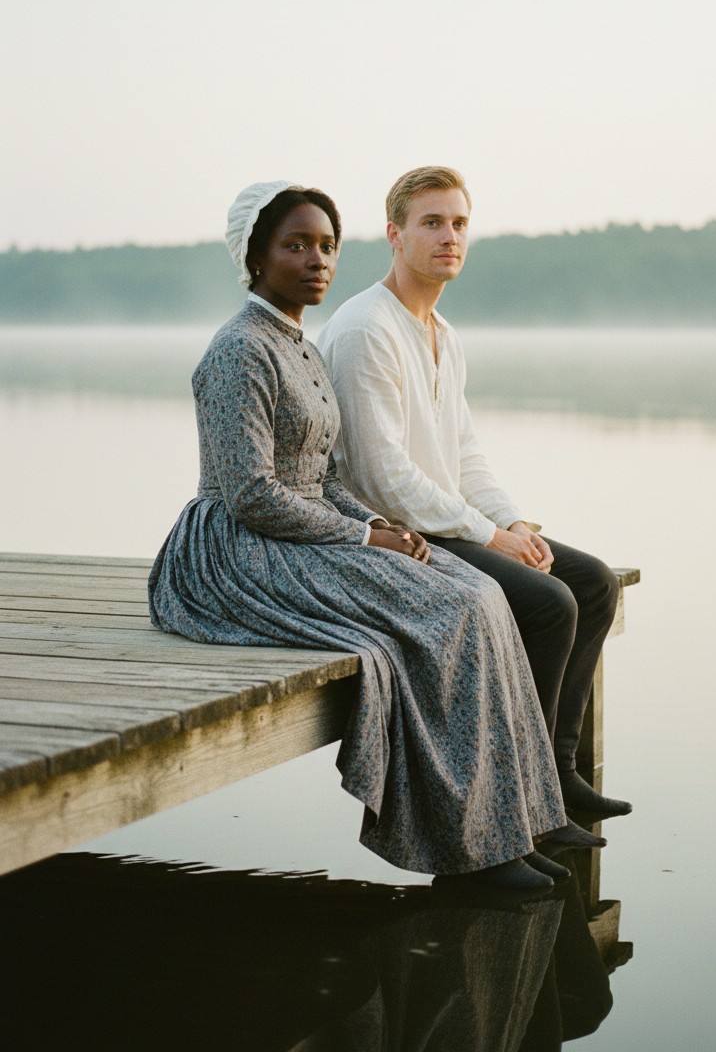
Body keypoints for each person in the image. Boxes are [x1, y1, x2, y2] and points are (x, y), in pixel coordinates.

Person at [149, 179, 572, 892]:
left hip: (305, 532)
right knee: (448, 611)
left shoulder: (302, 346)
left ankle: (512, 820)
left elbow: (323, 473)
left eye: (326, 246)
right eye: (296, 245)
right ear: (254, 258)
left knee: (478, 590)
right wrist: (360, 537)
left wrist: (378, 525)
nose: (317, 259)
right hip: (239, 552)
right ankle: (467, 849)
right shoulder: (238, 351)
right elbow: (252, 496)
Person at [318, 166, 632, 823]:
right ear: (394, 235)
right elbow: (381, 478)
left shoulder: (444, 334)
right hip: (391, 540)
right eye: (431, 222)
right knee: (548, 605)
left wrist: (514, 522)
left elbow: (464, 457)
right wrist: (490, 537)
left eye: (459, 223)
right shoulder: (364, 330)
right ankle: (525, 802)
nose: (449, 236)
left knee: (595, 583)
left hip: (445, 523)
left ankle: (559, 777)